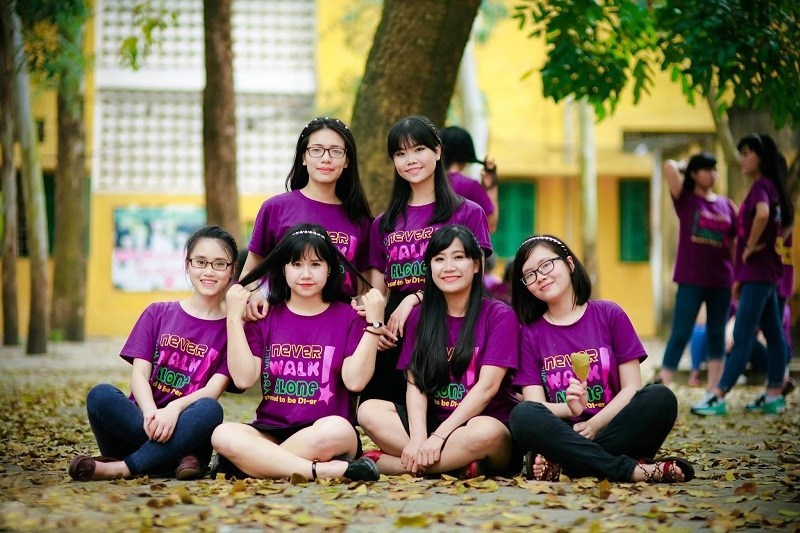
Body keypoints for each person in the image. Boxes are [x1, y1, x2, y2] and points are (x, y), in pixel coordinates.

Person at [509, 234, 694, 483]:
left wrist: (594, 425)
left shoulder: (609, 314)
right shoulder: (529, 334)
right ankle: (629, 470)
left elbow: (631, 388)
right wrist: (571, 408)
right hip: (562, 433)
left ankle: (567, 466)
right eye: (530, 275)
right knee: (522, 415)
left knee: (661, 398)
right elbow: (536, 404)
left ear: (570, 264)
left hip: (615, 428)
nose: (540, 276)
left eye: (546, 265)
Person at [211, 224, 386, 481]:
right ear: (284, 268)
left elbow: (355, 382)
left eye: (315, 264)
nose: (306, 274)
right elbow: (243, 379)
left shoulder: (349, 317)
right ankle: (322, 470)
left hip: (325, 432)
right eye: (296, 264)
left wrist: (375, 324)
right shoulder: (264, 316)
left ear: (329, 269)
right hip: (270, 431)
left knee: (338, 430)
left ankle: (251, 464)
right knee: (223, 434)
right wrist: (234, 318)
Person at [69, 225, 238, 481]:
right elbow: (139, 376)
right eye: (201, 262)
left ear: (232, 270)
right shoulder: (157, 313)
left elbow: (213, 390)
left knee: (210, 409)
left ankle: (122, 468)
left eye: (219, 264)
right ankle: (171, 458)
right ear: (188, 264)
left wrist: (173, 409)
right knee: (100, 394)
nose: (208, 271)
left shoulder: (231, 330)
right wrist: (150, 414)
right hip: (140, 426)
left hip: (187, 427)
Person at [358, 225, 518, 477]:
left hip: (480, 425)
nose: (448, 267)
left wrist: (439, 437)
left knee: (485, 430)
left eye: (458, 257)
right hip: (433, 425)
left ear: (476, 265)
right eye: (439, 259)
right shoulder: (420, 317)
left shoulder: (499, 315)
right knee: (369, 411)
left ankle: (394, 466)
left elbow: (487, 388)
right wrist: (419, 437)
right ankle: (458, 466)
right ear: (430, 267)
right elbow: (415, 384)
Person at [360, 116, 493, 405]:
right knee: (375, 409)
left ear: (438, 151)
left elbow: (475, 278)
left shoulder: (468, 212)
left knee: (442, 412)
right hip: (394, 332)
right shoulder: (384, 223)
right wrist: (376, 326)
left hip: (449, 325)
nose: (410, 160)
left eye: (419, 149)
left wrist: (416, 298)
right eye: (400, 153)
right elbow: (376, 292)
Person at [692, 133, 794, 416]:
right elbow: (784, 224)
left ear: (760, 157)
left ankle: (718, 394)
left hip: (758, 273)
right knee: (773, 333)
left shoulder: (761, 187)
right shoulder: (773, 187)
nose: (742, 159)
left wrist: (750, 247)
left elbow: (762, 214)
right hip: (767, 273)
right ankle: (773, 394)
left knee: (742, 333)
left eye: (747, 153)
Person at [240, 117, 373, 320]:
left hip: (341, 326)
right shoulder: (275, 208)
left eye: (336, 151)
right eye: (316, 150)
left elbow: (365, 288)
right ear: (303, 157)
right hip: (282, 323)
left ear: (347, 160)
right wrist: (255, 294)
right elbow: (248, 274)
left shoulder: (360, 220)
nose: (326, 159)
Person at [657, 153, 737, 390]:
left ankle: (714, 390)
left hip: (722, 280)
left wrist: (738, 277)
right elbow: (668, 166)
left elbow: (733, 244)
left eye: (715, 169)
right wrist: (687, 166)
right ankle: (662, 386)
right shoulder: (686, 200)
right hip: (691, 280)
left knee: (717, 334)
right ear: (694, 173)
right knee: (680, 332)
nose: (713, 174)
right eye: (707, 169)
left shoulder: (727, 205)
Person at [439, 126, 499, 232]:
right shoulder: (470, 186)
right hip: (461, 241)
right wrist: (491, 186)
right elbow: (490, 225)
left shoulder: (428, 183)